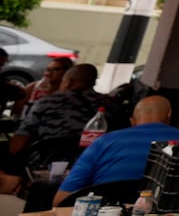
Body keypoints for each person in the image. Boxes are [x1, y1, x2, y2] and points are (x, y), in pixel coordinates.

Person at [53, 96, 179, 205]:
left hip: (101, 215)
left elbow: (62, 199)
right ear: (169, 115)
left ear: (132, 121)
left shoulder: (104, 141)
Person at [0, 63, 103, 194]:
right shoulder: (110, 103)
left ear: (69, 82)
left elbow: (16, 147)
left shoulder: (48, 102)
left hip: (44, 167)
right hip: (93, 168)